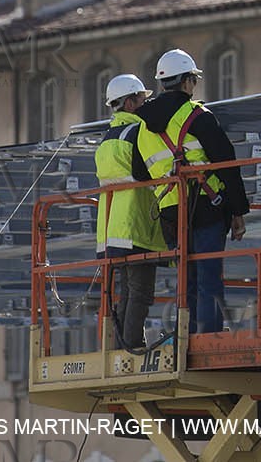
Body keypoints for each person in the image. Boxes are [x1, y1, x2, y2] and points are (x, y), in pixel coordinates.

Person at [135, 49, 249, 335]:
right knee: (209, 276)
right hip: (207, 205)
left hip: (171, 212)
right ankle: (208, 337)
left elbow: (139, 172)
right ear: (186, 81)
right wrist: (238, 211)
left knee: (186, 277)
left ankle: (186, 334)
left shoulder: (142, 126)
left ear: (163, 83)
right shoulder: (197, 115)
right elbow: (227, 162)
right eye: (193, 80)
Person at [95, 74, 164, 351]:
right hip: (135, 224)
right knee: (141, 292)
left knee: (126, 291)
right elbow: (147, 172)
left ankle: (121, 345)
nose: (145, 104)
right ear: (129, 103)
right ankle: (132, 344)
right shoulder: (138, 133)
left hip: (111, 228)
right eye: (141, 99)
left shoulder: (107, 138)